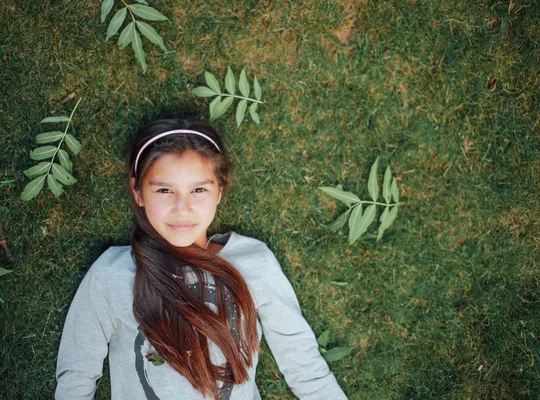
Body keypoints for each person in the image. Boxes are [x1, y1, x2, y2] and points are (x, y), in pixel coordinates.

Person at [55, 118, 349, 400]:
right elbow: (77, 374)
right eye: (164, 190)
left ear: (219, 190)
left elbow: (303, 364)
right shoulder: (113, 273)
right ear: (138, 192)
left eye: (198, 190)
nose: (182, 209)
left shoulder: (254, 264)